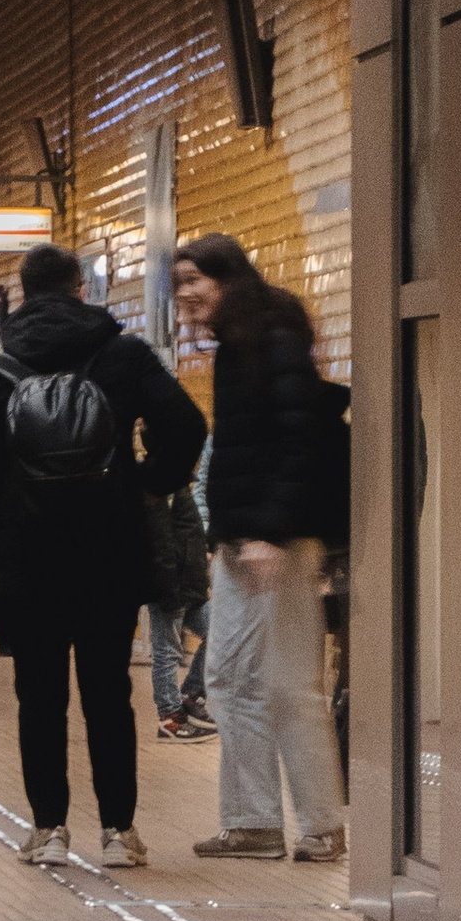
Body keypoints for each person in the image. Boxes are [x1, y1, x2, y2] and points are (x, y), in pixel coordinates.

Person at [0, 239, 205, 871]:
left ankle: (49, 831)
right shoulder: (123, 356)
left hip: (26, 558)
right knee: (108, 694)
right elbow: (188, 425)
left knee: (38, 697)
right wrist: (146, 482)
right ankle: (120, 833)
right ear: (82, 290)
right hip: (108, 553)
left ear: (22, 295)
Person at [170, 233, 347, 865]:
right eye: (179, 283)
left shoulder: (272, 332)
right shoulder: (238, 342)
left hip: (279, 542)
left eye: (196, 279)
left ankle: (323, 826)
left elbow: (298, 438)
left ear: (228, 278)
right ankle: (253, 822)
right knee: (230, 679)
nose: (186, 294)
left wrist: (272, 530)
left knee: (290, 685)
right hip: (245, 541)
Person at [146, 455, 214, 739]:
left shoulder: (179, 485)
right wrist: (168, 590)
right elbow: (160, 541)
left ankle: (190, 694)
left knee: (218, 631)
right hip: (170, 587)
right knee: (167, 652)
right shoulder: (162, 486)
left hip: (189, 588)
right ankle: (170, 718)